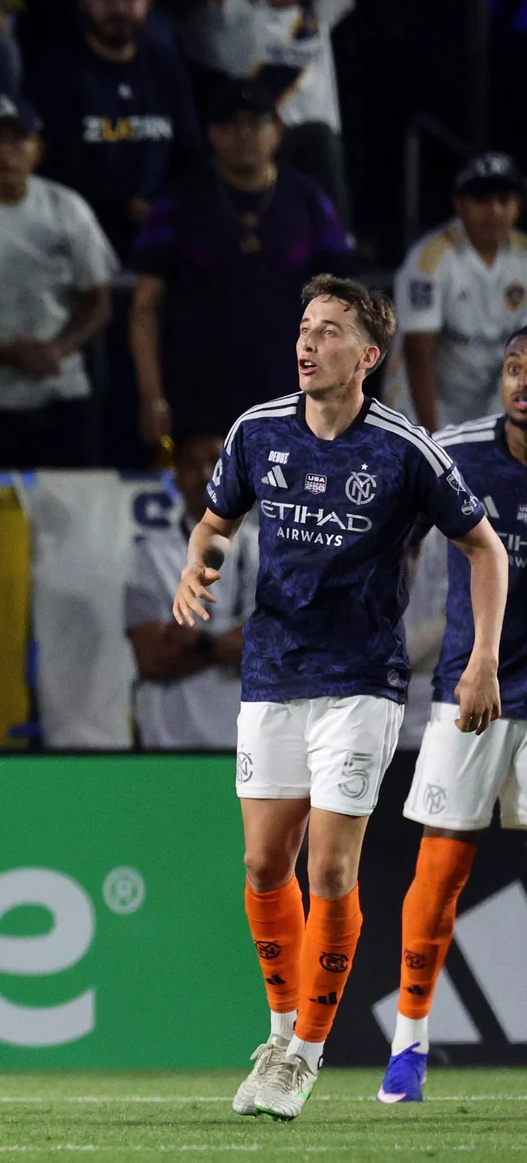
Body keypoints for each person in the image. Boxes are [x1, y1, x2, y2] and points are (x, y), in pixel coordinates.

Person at [173, 275, 506, 1121]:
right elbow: (216, 522)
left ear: (367, 356)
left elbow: (486, 549)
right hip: (272, 672)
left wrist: (482, 661)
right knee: (261, 864)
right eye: (303, 326)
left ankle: (307, 1056)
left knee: (329, 866)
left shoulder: (403, 448)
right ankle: (281, 1030)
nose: (307, 342)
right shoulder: (258, 431)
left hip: (361, 682)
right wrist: (198, 566)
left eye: (327, 331)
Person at [380, 330, 527, 1103]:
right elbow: (393, 533)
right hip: (474, 688)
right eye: (513, 368)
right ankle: (409, 1046)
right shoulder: (458, 451)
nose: (521, 383)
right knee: (440, 869)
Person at [129, 81, 355, 456]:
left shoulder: (308, 199)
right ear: (212, 134)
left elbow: (347, 304)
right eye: (229, 124)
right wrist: (152, 397)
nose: (242, 134)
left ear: (277, 131)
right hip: (198, 399)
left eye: (254, 123)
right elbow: (144, 308)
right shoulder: (177, 202)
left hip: (292, 393)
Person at [0, 93, 118, 469]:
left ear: (38, 149)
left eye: (17, 140)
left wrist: (57, 348)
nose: (4, 153)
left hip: (59, 400)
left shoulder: (67, 209)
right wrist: (9, 352)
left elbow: (98, 303)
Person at [27, 0, 201, 258]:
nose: (118, 8)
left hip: (164, 232)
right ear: (84, 1)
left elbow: (188, 153)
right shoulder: (57, 73)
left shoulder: (166, 68)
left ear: (148, 1)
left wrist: (162, 205)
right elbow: (58, 164)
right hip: (82, 235)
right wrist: (122, 206)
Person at [183, 0, 375, 223]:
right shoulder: (240, 12)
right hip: (260, 151)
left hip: (319, 157)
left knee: (318, 135)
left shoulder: (319, 12)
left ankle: (337, 245)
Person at [126, 433, 256, 749]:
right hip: (172, 740)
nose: (205, 475)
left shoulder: (269, 550)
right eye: (192, 466)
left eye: (215, 463)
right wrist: (233, 642)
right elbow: (152, 661)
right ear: (177, 480)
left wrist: (201, 639)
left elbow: (273, 657)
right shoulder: (151, 555)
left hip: (250, 744)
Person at [394, 153, 527, 431]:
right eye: (482, 200)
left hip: (490, 407)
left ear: (518, 206)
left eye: (504, 200)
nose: (494, 211)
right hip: (425, 409)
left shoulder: (523, 255)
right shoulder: (429, 259)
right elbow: (419, 354)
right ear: (460, 204)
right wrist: (435, 439)